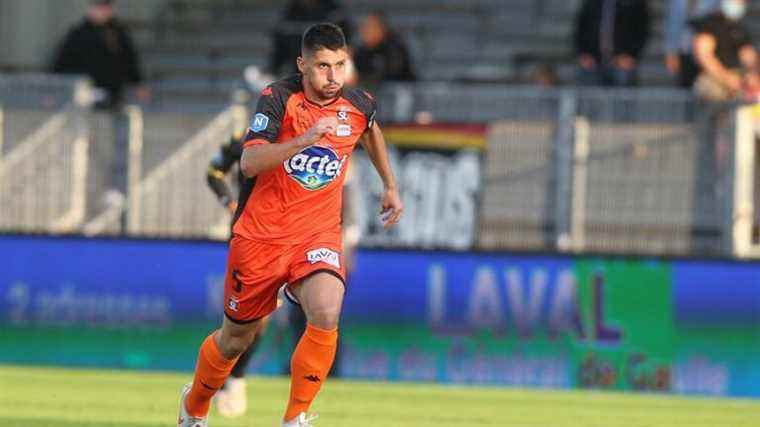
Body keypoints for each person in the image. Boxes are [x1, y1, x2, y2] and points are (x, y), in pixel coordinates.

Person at [178, 23, 402, 427]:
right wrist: (304, 139)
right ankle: (194, 406)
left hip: (315, 235)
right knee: (235, 340)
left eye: (339, 65)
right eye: (322, 66)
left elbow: (370, 130)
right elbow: (247, 163)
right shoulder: (278, 99)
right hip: (261, 237)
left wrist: (390, 185)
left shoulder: (357, 103)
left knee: (327, 309)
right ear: (302, 65)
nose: (333, 76)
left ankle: (295, 418)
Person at [205, 136, 362, 418]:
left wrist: (343, 237)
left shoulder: (319, 140)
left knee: (309, 311)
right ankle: (223, 380)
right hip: (252, 237)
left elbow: (339, 191)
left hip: (300, 239)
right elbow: (214, 172)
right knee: (246, 326)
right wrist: (230, 203)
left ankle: (272, 398)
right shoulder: (244, 140)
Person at [51, 0, 149, 109]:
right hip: (84, 94)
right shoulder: (78, 34)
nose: (102, 12)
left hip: (113, 95)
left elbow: (130, 60)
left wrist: (138, 83)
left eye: (105, 8)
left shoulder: (119, 33)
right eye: (99, 7)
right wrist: (53, 90)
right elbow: (61, 63)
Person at [692, 0, 758, 102]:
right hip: (712, 77)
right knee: (714, 92)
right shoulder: (710, 24)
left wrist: (752, 75)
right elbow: (703, 56)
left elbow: (748, 56)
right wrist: (726, 78)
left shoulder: (740, 27)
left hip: (736, 76)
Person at [574, 0, 650, 87]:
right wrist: (583, 54)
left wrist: (632, 55)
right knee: (587, 85)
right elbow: (580, 30)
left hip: (622, 60)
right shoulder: (591, 3)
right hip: (593, 60)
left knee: (624, 81)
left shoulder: (635, 3)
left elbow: (642, 31)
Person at [270, 0, 352, 77]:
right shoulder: (290, 11)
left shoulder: (333, 11)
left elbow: (346, 41)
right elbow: (280, 47)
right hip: (299, 69)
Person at [664, 0, 720, 87]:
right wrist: (671, 51)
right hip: (685, 47)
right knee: (686, 82)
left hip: (708, 49)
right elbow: (673, 24)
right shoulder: (677, 2)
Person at [353, 11, 415, 86]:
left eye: (372, 27)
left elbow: (393, 74)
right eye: (364, 27)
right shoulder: (361, 50)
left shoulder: (395, 47)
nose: (366, 32)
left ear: (382, 28)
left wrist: (362, 79)